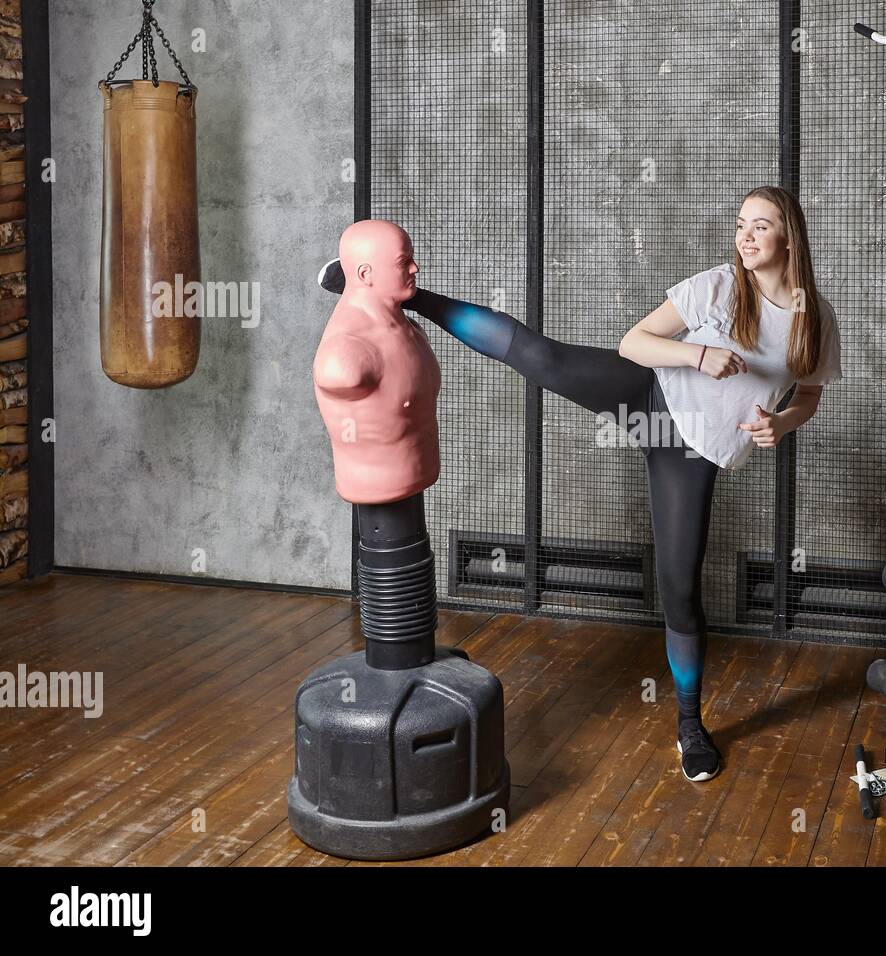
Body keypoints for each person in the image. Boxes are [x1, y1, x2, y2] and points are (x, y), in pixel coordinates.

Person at [318, 186, 842, 781]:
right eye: (741, 223)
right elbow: (634, 343)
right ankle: (411, 298)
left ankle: (690, 726)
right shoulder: (720, 284)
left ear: (789, 238)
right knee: (542, 358)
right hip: (651, 393)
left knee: (680, 589)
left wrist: (781, 421)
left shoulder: (814, 318)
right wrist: (697, 356)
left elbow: (810, 394)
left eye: (761, 227)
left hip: (688, 450)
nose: (745, 237)